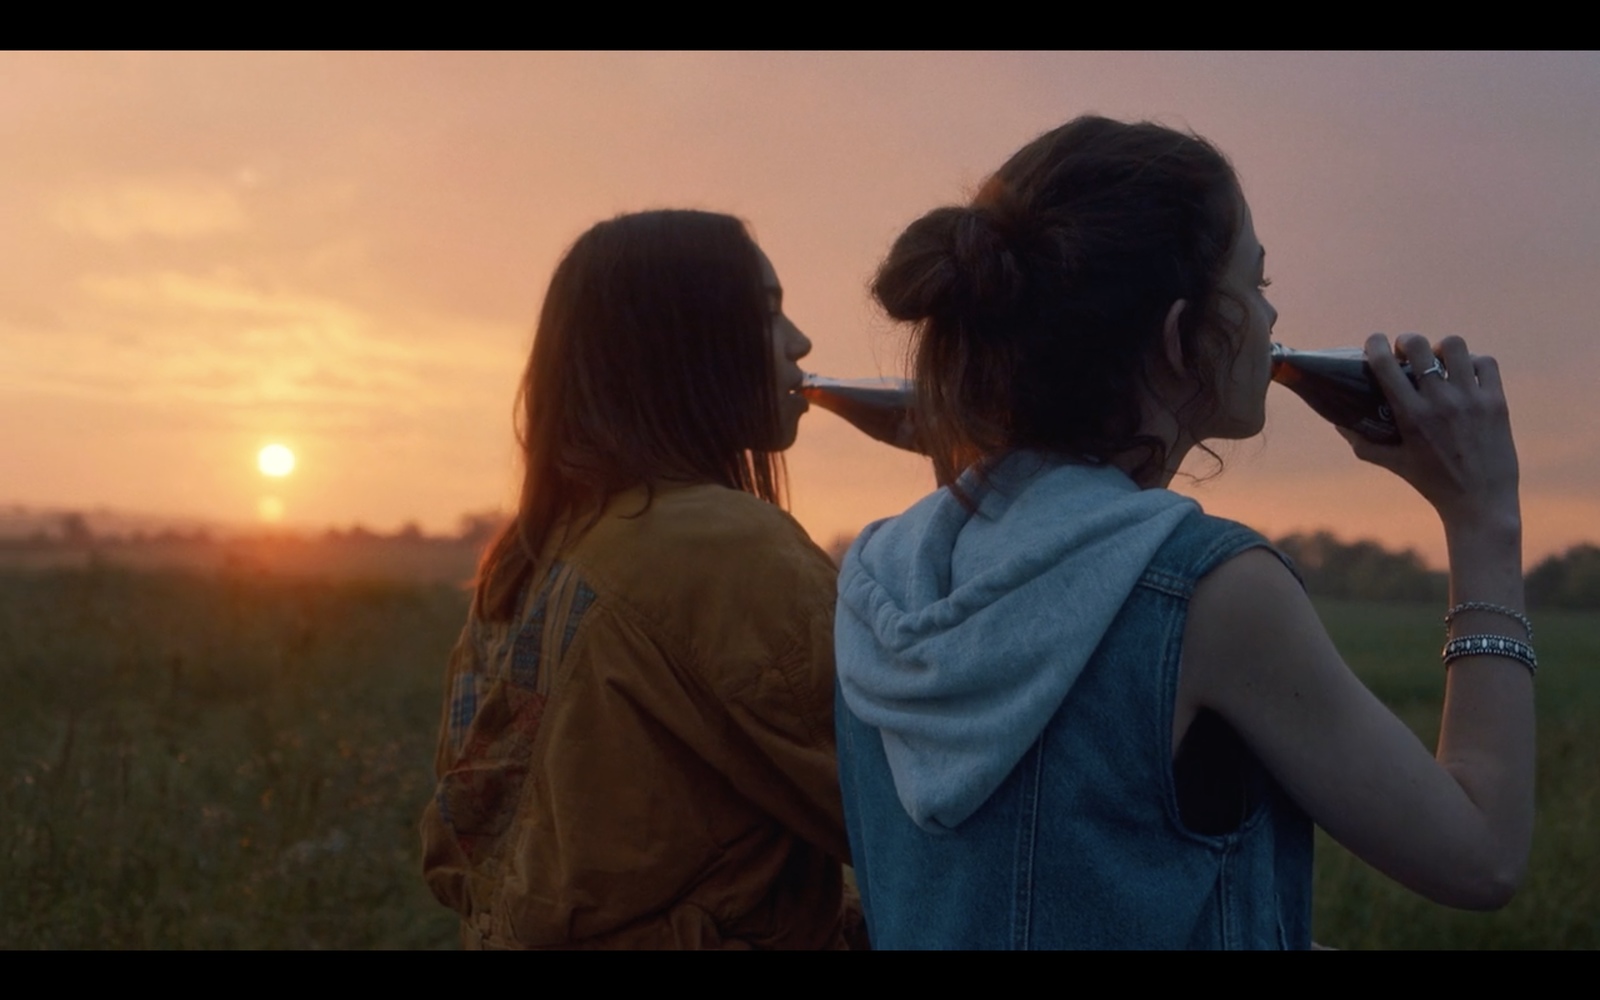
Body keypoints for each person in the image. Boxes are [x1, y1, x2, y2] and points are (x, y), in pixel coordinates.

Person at [833, 116, 1532, 949]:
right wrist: (1482, 518)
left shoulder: (872, 581)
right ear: (1179, 335)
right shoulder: (1212, 591)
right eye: (1257, 282)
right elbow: (1479, 855)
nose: (1274, 317)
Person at [421, 209, 857, 949]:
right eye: (766, 313)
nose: (801, 343)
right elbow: (904, 812)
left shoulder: (532, 556)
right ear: (683, 347)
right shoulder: (724, 549)